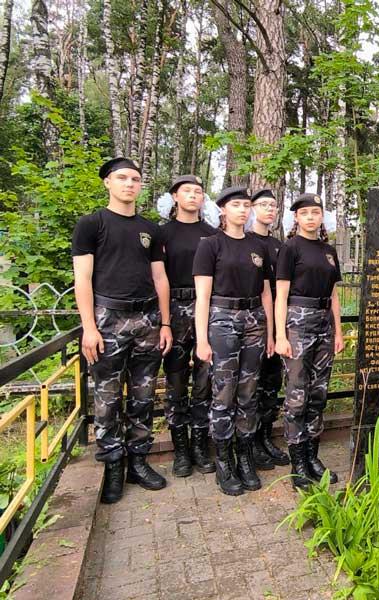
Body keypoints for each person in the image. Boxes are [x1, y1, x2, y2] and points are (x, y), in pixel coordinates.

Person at [72, 157, 173, 504]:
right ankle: (113, 464)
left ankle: (139, 462)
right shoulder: (92, 224)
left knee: (144, 395)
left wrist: (165, 323)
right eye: (122, 178)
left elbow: (160, 277)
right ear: (107, 183)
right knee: (108, 396)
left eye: (135, 179)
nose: (129, 184)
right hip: (108, 319)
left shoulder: (150, 229)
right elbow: (82, 279)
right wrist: (89, 327)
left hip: (147, 320)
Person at [193, 186, 274, 496]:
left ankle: (245, 456)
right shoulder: (210, 245)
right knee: (223, 393)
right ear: (222, 210)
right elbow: (202, 297)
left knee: (249, 392)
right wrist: (202, 340)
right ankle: (224, 461)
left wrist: (269, 332)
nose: (242, 210)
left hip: (254, 320)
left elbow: (265, 292)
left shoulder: (258, 246)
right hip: (222, 319)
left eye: (245, 205)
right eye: (236, 205)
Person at [274, 192, 344, 491]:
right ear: (296, 218)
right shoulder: (290, 248)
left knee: (318, 393)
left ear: (322, 216)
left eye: (316, 212)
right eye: (305, 213)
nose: (311, 217)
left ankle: (313, 456)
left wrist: (338, 331)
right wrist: (280, 335)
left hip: (324, 321)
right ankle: (298, 462)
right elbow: (280, 295)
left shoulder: (328, 250)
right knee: (297, 394)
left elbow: (334, 294)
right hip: (298, 321)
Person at [158, 174, 217, 478]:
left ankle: (200, 446)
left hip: (207, 309)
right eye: (186, 191)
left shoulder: (212, 235)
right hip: (175, 309)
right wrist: (164, 321)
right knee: (176, 381)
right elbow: (157, 277)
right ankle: (180, 450)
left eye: (198, 191)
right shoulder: (162, 233)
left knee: (205, 381)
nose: (193, 195)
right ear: (175, 197)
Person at [248, 188, 291, 469]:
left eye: (273, 205)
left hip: (277, 321)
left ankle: (265, 437)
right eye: (263, 204)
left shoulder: (279, 246)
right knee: (250, 384)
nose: (269, 210)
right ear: (252, 208)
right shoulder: (244, 240)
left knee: (270, 383)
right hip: (251, 321)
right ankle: (249, 442)